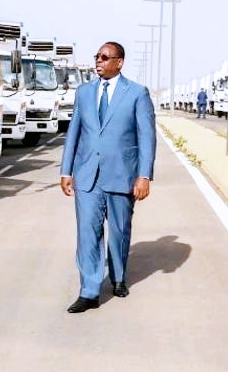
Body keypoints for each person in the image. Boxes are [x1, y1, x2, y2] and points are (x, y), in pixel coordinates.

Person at [60, 41, 156, 313]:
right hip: (87, 175)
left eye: (105, 57)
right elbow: (74, 133)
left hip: (121, 175)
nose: (98, 61)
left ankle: (118, 276)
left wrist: (144, 176)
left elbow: (146, 138)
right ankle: (89, 292)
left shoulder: (137, 93)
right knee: (87, 233)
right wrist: (66, 170)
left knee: (119, 231)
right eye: (97, 56)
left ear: (119, 62)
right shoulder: (84, 92)